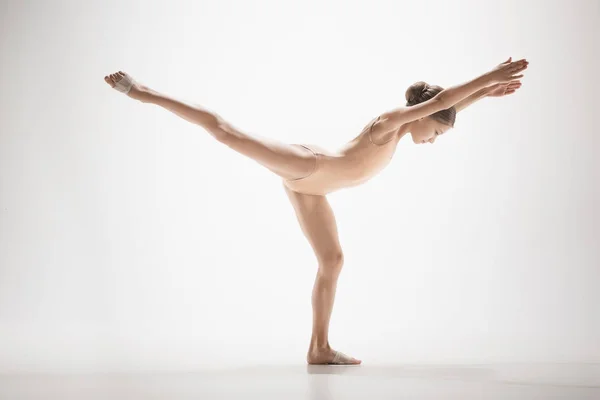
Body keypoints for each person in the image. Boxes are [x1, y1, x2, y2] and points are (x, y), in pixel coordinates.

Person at [104, 57, 528, 365]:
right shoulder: (390, 122)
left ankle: (319, 348)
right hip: (310, 166)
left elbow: (446, 108)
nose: (434, 139)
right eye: (436, 131)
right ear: (423, 117)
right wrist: (486, 77)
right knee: (226, 133)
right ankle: (142, 92)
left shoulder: (404, 133)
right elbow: (441, 103)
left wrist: (485, 95)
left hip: (312, 192)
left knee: (333, 260)